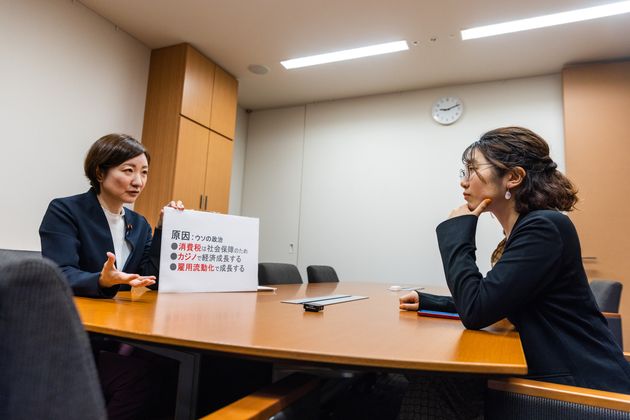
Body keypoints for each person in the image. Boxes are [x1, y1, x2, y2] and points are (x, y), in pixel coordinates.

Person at [398, 127, 630, 417]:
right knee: (425, 380)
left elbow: (478, 310)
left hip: (577, 390)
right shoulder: (528, 229)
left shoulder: (543, 227)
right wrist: (433, 302)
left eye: (472, 170)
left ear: (514, 177)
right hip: (557, 368)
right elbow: (498, 299)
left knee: (431, 380)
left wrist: (458, 231)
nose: (463, 181)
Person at [40, 133, 184, 419]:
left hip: (119, 330)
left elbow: (148, 277)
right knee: (142, 377)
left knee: (175, 366)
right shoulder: (66, 210)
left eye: (144, 173)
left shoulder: (138, 223)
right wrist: (101, 281)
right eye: (128, 170)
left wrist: (164, 229)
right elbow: (60, 273)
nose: (138, 181)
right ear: (100, 171)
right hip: (77, 336)